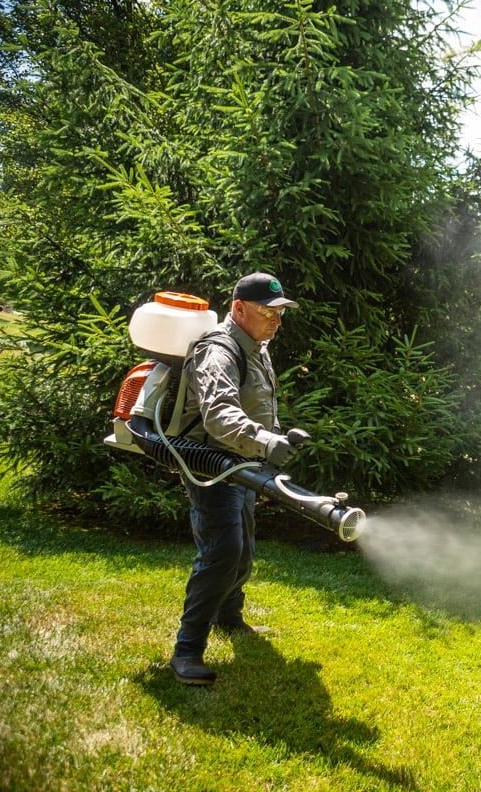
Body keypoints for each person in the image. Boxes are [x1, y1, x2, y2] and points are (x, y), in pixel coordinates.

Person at [168, 272, 308, 686]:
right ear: (238, 309)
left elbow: (259, 400)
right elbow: (219, 414)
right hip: (211, 465)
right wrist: (265, 442)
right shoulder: (219, 351)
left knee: (242, 546)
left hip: (243, 462)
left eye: (281, 313)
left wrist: (273, 438)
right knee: (222, 550)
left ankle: (229, 618)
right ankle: (187, 651)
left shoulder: (258, 345)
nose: (276, 321)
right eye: (268, 312)